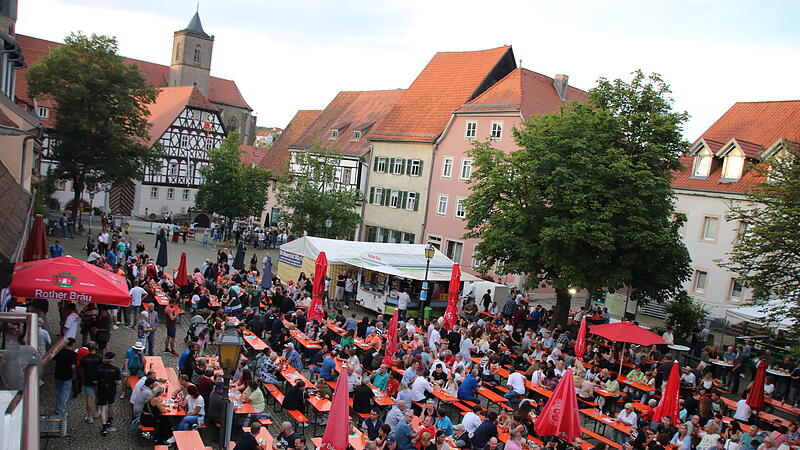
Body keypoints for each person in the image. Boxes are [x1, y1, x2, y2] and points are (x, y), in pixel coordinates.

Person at [96, 351, 122, 436]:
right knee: (111, 405)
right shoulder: (115, 369)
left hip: (101, 390)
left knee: (103, 409)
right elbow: (118, 382)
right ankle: (109, 421)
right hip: (111, 390)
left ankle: (103, 428)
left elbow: (95, 380)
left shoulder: (98, 368)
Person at [80, 341, 102, 424]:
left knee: (89, 399)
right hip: (98, 380)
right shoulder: (99, 358)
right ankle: (97, 412)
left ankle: (89, 416)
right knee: (98, 396)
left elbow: (81, 370)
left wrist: (83, 377)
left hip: (87, 380)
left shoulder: (84, 359)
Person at [53, 337, 77, 416]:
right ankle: (61, 410)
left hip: (58, 374)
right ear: (73, 344)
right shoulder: (73, 354)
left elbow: (54, 358)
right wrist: (74, 374)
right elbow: (73, 366)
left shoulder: (60, 351)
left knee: (58, 392)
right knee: (64, 394)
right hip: (67, 376)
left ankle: (57, 408)